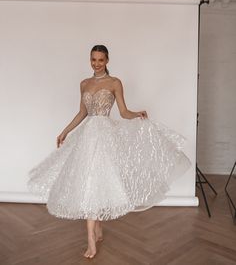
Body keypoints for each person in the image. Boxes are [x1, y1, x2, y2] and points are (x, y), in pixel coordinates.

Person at [27, 44, 192, 259]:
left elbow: (123, 112)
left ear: (107, 61)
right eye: (93, 60)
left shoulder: (115, 83)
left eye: (101, 60)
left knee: (97, 181)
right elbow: (82, 113)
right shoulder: (84, 83)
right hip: (87, 137)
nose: (96, 64)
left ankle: (91, 242)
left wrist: (136, 114)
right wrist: (64, 132)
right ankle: (97, 229)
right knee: (88, 181)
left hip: (104, 136)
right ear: (90, 60)